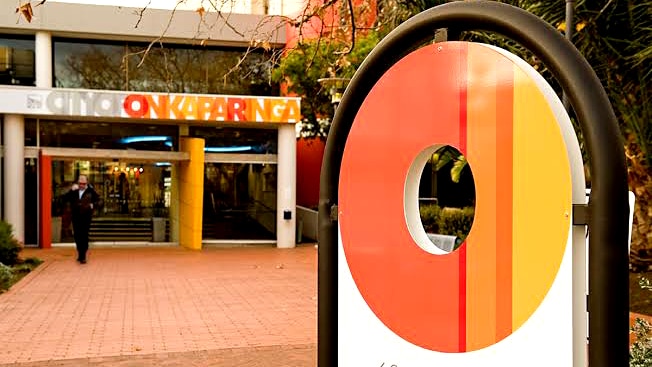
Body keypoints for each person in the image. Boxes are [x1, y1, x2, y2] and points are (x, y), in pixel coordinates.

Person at [63, 175, 100, 264]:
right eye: (80, 183)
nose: (81, 185)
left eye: (83, 183)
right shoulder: (74, 191)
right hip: (75, 217)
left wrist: (93, 205)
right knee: (77, 236)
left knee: (84, 235)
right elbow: (64, 198)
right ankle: (80, 253)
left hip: (86, 217)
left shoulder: (91, 191)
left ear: (86, 183)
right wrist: (71, 190)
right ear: (77, 183)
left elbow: (99, 201)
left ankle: (83, 255)